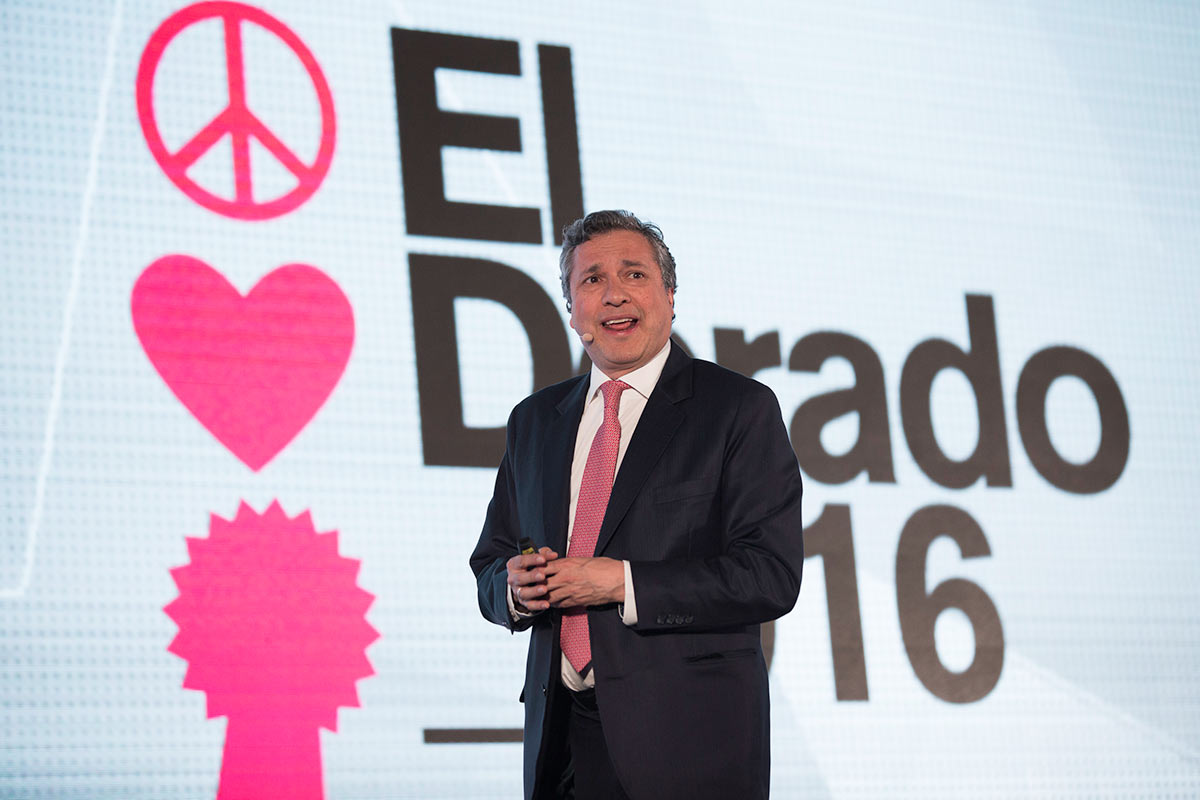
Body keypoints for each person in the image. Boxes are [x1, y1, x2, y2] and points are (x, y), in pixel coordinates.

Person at [469, 210, 804, 800]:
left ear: (670, 297)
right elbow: (490, 564)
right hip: (561, 744)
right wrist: (515, 590)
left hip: (690, 745)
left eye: (634, 274)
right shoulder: (534, 421)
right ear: (571, 309)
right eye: (592, 279)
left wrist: (621, 582)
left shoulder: (737, 408)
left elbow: (769, 576)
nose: (614, 294)